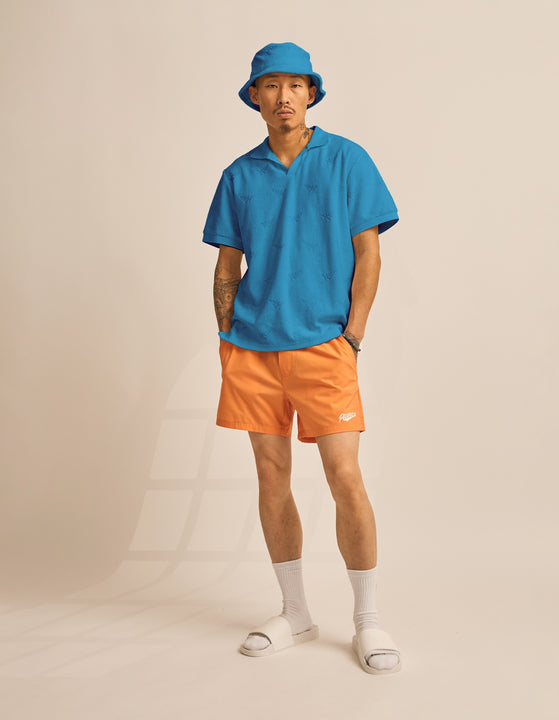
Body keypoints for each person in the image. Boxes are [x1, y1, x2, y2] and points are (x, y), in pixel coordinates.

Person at [202, 41, 401, 674]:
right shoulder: (239, 175)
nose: (283, 96)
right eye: (270, 85)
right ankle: (295, 613)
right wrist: (228, 335)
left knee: (345, 477)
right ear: (254, 97)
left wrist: (353, 335)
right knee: (271, 476)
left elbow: (368, 253)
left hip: (324, 345)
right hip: (252, 349)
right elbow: (227, 265)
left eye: (295, 84)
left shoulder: (346, 159)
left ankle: (367, 620)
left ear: (311, 93)